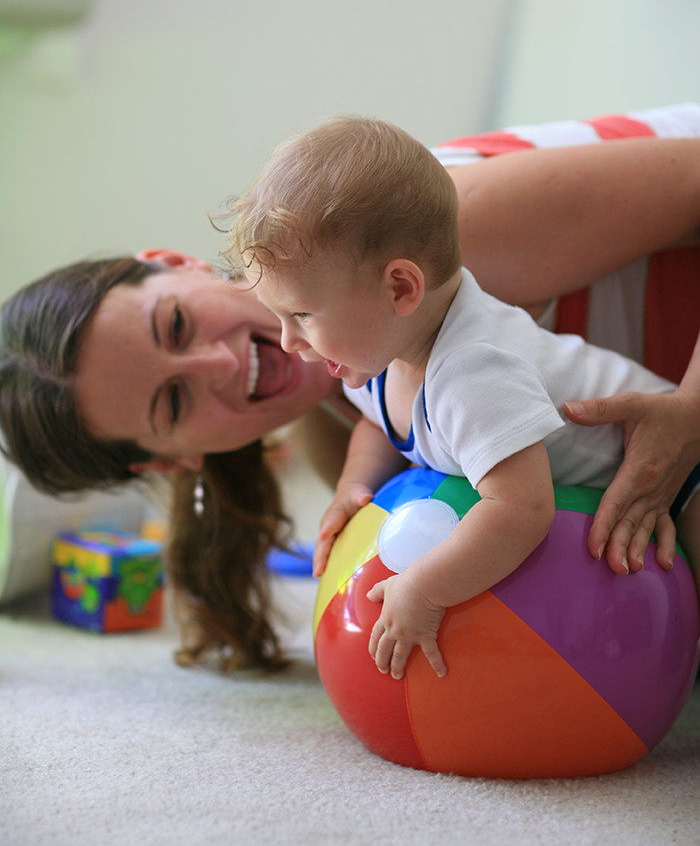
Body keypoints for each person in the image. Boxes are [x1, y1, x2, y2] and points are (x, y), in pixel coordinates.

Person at [2, 103, 700, 673]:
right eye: (175, 402)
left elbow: (520, 510)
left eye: (178, 324)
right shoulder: (348, 396)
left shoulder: (448, 239)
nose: (222, 362)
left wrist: (692, 408)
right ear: (174, 460)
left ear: (174, 264)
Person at [223, 115, 700, 680]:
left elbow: (521, 508)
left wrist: (424, 589)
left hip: (683, 471)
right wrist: (356, 484)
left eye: (301, 314)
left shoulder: (471, 371)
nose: (287, 339)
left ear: (401, 287)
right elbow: (380, 423)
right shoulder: (382, 347)